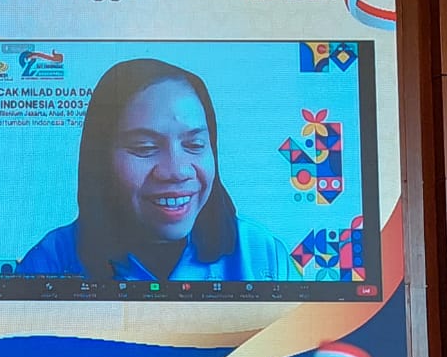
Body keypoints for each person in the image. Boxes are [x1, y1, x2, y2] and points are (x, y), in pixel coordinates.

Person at [17, 58, 290, 283]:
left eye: (195, 145)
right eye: (145, 147)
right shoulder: (50, 264)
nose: (176, 171)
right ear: (100, 160)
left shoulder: (264, 256)